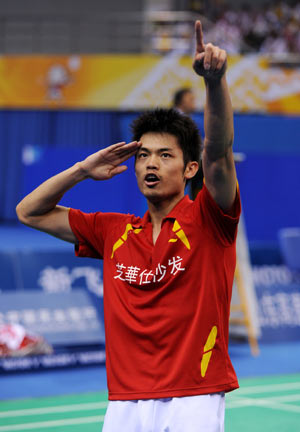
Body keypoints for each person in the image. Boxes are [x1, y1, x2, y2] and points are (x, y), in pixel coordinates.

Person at [16, 20, 240, 432]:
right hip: (125, 401)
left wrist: (214, 82)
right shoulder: (114, 231)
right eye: (143, 156)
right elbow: (29, 212)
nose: (150, 163)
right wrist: (82, 170)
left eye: (164, 155)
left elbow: (219, 152)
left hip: (194, 396)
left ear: (190, 167)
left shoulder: (210, 219)